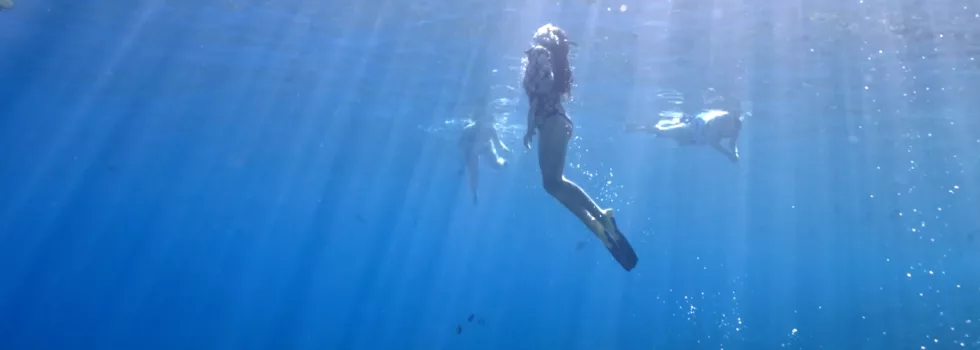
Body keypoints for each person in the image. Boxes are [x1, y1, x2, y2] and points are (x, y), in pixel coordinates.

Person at [522, 23, 636, 270]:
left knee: (552, 182)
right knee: (553, 182)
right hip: (557, 123)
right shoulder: (550, 56)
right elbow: (546, 86)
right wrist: (532, 122)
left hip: (552, 123)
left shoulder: (538, 52)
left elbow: (545, 83)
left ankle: (597, 219)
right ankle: (599, 220)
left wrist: (533, 115)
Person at [626, 99, 743, 162]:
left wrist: (735, 153)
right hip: (694, 128)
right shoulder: (720, 120)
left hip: (699, 138)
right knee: (662, 132)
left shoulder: (736, 126)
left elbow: (732, 143)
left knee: (671, 137)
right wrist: (728, 155)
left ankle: (640, 128)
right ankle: (639, 128)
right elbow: (713, 142)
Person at [459, 113, 509, 204]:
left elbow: (498, 141)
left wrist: (503, 147)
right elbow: (461, 143)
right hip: (472, 150)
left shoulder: (491, 129)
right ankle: (475, 193)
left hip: (486, 147)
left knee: (496, 165)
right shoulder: (468, 129)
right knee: (474, 172)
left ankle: (503, 161)